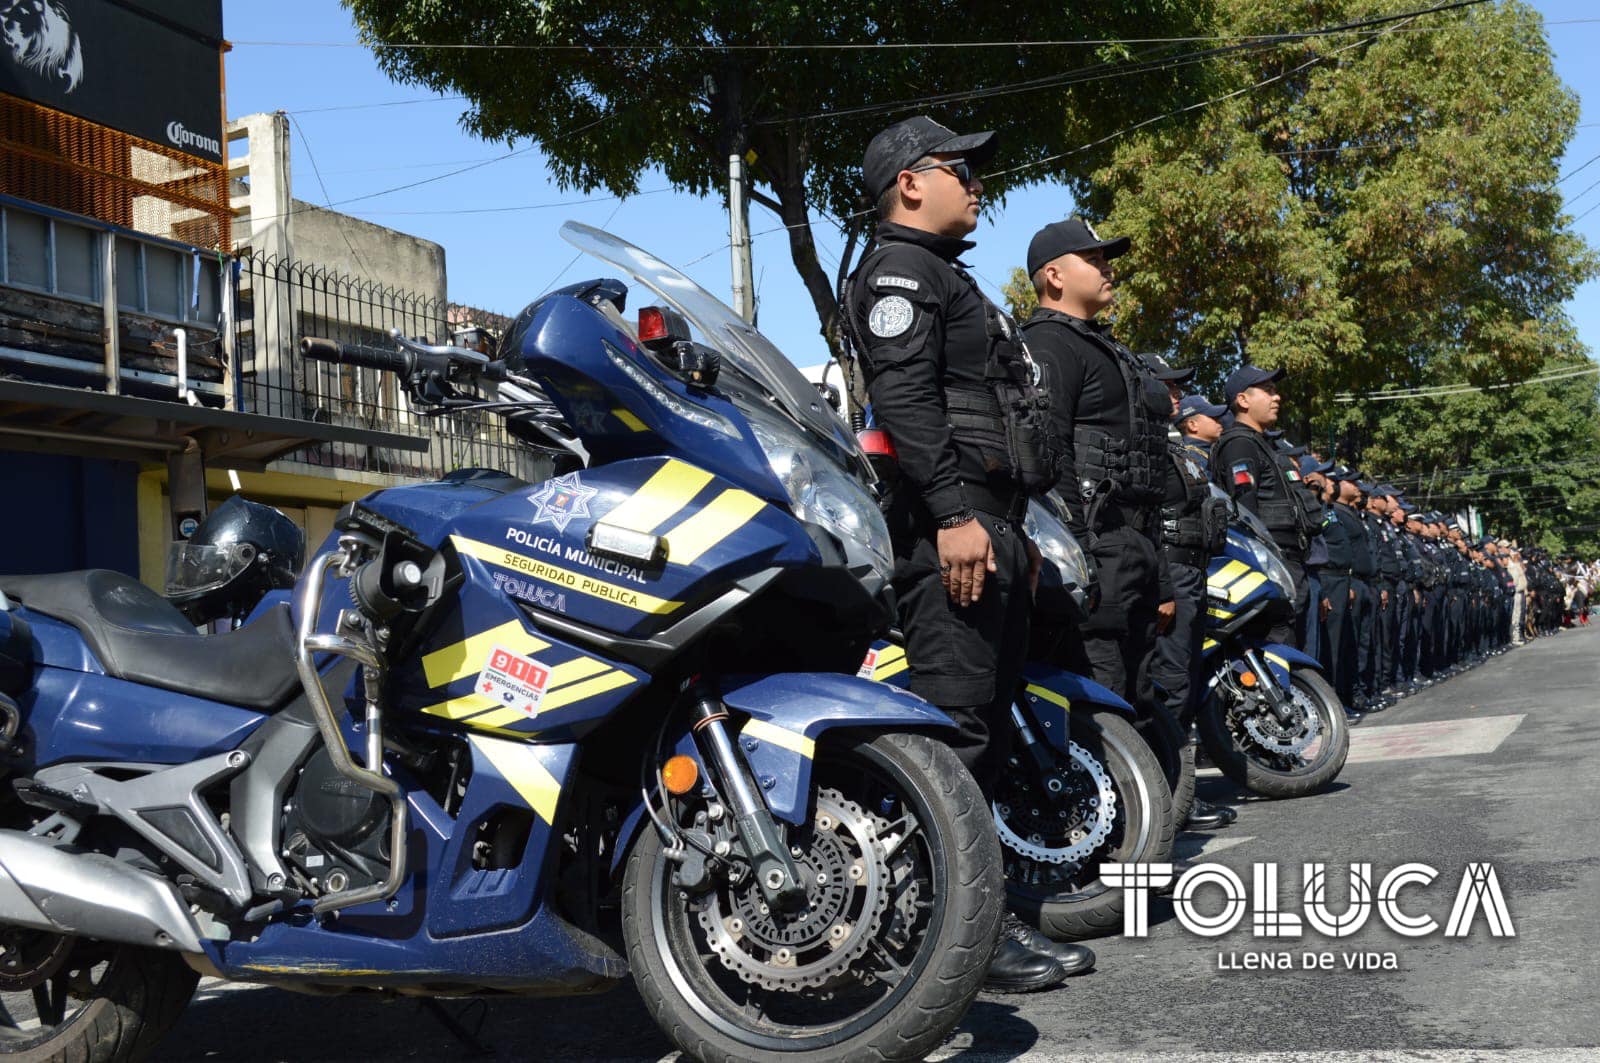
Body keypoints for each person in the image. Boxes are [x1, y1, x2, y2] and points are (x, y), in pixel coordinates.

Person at [844, 115, 1090, 991]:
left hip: (993, 521)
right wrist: (951, 511)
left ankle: (991, 919)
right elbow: (904, 395)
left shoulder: (944, 274)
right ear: (910, 181)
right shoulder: (901, 270)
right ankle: (958, 939)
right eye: (960, 168)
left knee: (989, 719)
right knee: (961, 733)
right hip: (955, 528)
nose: (977, 182)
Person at [1018, 218, 1199, 830]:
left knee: (1141, 689)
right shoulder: (1046, 345)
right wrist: (1079, 553)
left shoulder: (1104, 345)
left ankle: (1147, 825)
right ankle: (1103, 835)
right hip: (1096, 542)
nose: (1108, 266)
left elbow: (1151, 470)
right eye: (1093, 257)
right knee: (1102, 688)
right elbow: (1050, 455)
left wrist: (1167, 580)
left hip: (1138, 541)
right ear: (1054, 274)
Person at [1153, 383, 1236, 830]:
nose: (1177, 395)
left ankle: (1181, 797)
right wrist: (1164, 586)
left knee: (1184, 682)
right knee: (1172, 688)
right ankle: (1175, 802)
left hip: (1192, 572)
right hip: (1173, 575)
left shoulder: (1174, 448)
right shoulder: (1151, 444)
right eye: (1168, 387)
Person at [1211, 366, 1320, 648]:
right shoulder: (1239, 445)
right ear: (1243, 400)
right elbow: (1245, 515)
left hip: (1288, 562)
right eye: (1268, 391)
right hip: (1272, 565)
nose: (1277, 397)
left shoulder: (1263, 445)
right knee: (1278, 649)